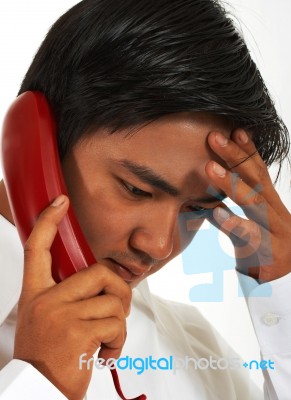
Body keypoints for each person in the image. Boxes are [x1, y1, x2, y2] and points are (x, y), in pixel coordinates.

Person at [0, 0, 291, 399]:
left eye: (197, 208)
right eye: (136, 189)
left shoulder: (191, 347)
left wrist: (281, 297)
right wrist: (39, 383)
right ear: (35, 150)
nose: (159, 246)